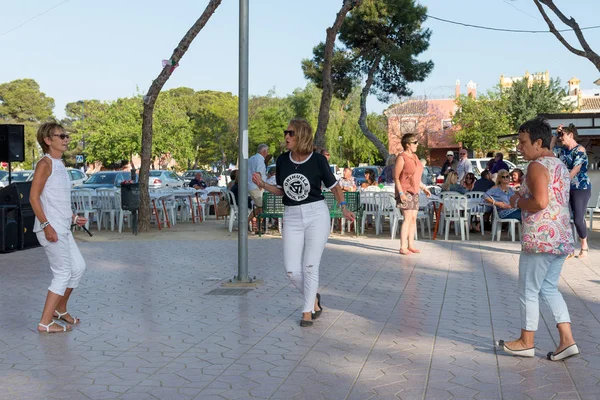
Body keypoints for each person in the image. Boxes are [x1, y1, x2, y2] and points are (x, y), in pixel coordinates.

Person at [252, 118, 355, 327]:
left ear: (301, 135)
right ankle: (313, 298)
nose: (286, 137)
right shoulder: (282, 161)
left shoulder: (318, 160)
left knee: (310, 266)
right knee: (291, 269)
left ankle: (307, 311)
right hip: (291, 215)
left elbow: (335, 187)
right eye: (285, 133)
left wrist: (343, 206)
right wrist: (263, 184)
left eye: (290, 133)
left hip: (316, 213)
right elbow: (282, 190)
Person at [497, 117, 578, 362]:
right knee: (549, 288)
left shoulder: (536, 166)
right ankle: (567, 340)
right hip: (561, 237)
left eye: (523, 142)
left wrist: (518, 201)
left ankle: (526, 341)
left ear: (538, 142)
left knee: (528, 290)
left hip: (541, 238)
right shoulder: (560, 166)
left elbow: (540, 202)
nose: (519, 148)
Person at [29, 122, 88, 333]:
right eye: (60, 136)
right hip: (50, 228)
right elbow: (33, 197)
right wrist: (46, 226)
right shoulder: (45, 164)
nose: (66, 139)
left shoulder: (61, 165)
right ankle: (45, 322)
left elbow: (57, 199)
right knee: (62, 273)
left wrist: (74, 217)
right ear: (47, 140)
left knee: (78, 267)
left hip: (63, 227)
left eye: (66, 135)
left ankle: (60, 309)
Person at [555, 124, 591, 258]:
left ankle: (584, 246)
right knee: (564, 218)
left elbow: (576, 168)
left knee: (577, 218)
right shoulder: (562, 150)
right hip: (566, 188)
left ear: (571, 135)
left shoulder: (580, 149)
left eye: (562, 135)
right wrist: (556, 134)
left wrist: (565, 181)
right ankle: (568, 248)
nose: (561, 138)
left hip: (580, 187)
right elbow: (549, 149)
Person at [394, 134, 431, 255]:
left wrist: (424, 188)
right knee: (407, 218)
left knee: (414, 219)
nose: (417, 144)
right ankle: (402, 247)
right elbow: (396, 177)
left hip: (415, 191)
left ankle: (411, 245)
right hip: (405, 191)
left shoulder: (415, 156)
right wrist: (400, 193)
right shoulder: (401, 157)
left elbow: (415, 177)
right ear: (407, 144)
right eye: (414, 142)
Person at [248, 144, 269, 224]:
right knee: (262, 208)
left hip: (251, 185)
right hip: (256, 187)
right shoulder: (260, 160)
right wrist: (260, 185)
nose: (267, 154)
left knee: (260, 207)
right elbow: (258, 174)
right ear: (264, 151)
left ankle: (248, 222)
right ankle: (259, 226)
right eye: (267, 151)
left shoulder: (251, 158)